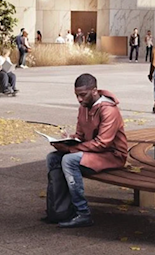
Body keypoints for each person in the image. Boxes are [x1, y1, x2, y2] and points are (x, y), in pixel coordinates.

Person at [44, 73, 128, 228]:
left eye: (83, 95)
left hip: (113, 155)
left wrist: (70, 148)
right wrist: (69, 139)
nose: (79, 99)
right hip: (95, 152)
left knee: (69, 160)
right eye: (77, 95)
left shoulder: (109, 110)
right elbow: (82, 136)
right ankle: (58, 211)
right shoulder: (83, 108)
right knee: (53, 158)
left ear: (94, 91)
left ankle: (83, 213)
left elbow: (103, 143)